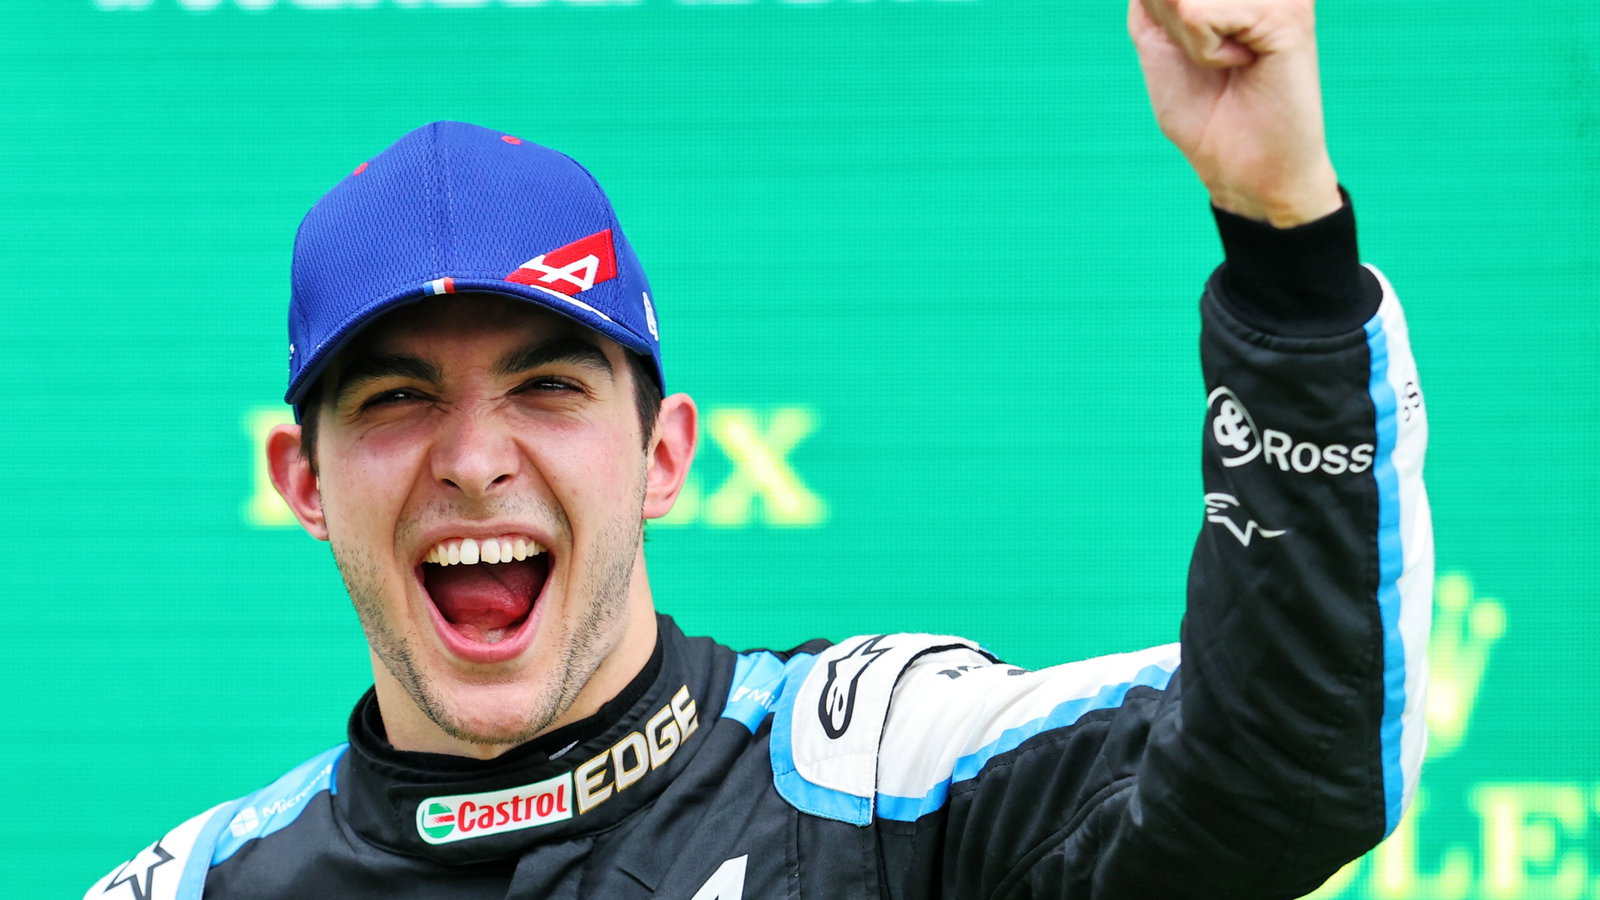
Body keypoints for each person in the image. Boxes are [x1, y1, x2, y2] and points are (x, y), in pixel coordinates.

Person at [87, 0, 1432, 896]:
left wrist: (1285, 242)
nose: (475, 458)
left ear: (664, 456)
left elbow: (1285, 772)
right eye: (397, 400)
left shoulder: (881, 778)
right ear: (305, 484)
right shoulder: (190, 887)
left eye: (546, 387)